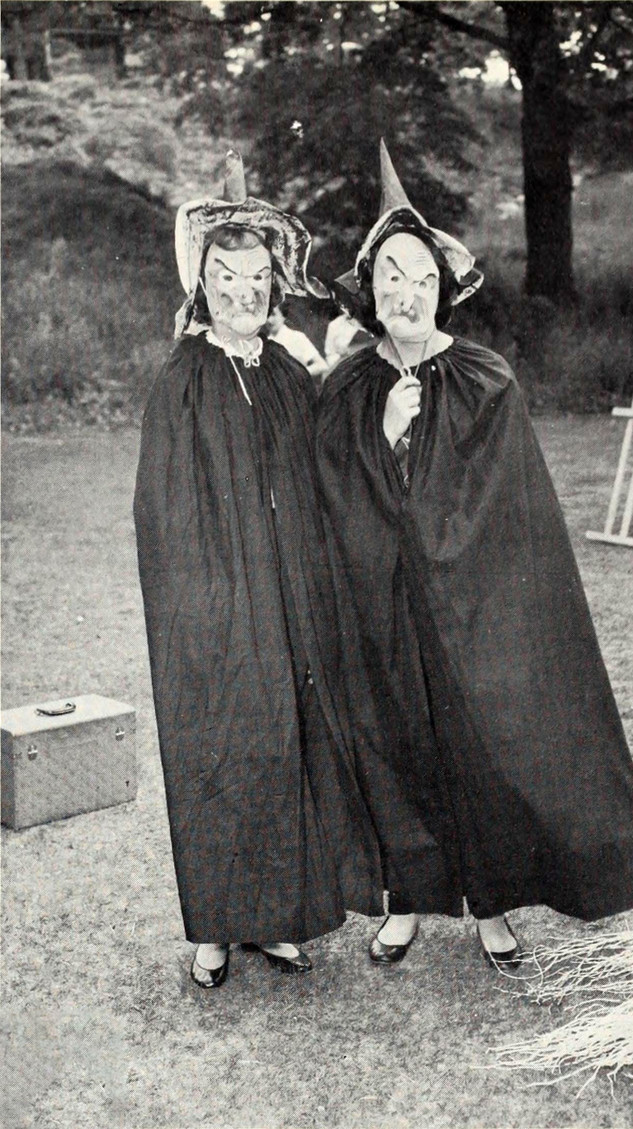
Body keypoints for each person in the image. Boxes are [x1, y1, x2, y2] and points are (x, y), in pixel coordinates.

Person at [316, 142, 633, 969]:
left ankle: (494, 905)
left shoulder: (485, 378)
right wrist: (384, 435)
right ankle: (406, 901)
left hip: (473, 606)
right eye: (392, 276)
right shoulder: (350, 384)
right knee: (397, 741)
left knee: (482, 743)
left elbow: (511, 513)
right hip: (382, 605)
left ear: (443, 289)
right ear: (370, 290)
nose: (407, 292)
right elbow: (331, 495)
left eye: (422, 278)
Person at [134, 151, 382, 989]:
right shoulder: (182, 381)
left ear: (274, 286)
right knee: (216, 744)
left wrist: (348, 372)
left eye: (256, 279)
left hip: (290, 599)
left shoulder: (285, 372)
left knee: (286, 743)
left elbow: (329, 466)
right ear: (201, 287)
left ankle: (276, 919)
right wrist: (205, 600)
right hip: (213, 604)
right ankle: (214, 927)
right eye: (226, 279)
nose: (243, 293)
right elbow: (161, 508)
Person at [265, 304, 328, 382]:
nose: (269, 320)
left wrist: (299, 372)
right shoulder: (265, 342)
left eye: (273, 314)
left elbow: (322, 365)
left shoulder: (297, 337)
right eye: (267, 315)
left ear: (283, 316)